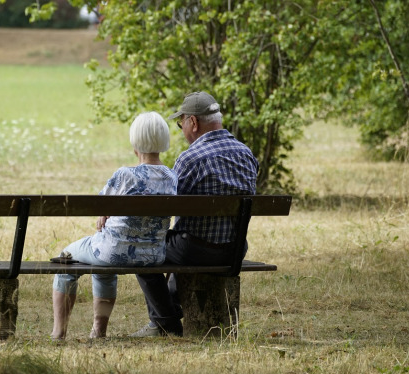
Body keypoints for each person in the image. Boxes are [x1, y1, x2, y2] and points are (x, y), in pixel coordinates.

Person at [131, 91, 259, 337]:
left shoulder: (190, 159)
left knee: (142, 248)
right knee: (182, 239)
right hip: (234, 250)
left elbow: (168, 208)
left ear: (193, 122)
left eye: (181, 124)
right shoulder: (247, 154)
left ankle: (165, 323)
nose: (182, 130)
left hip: (196, 250)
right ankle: (168, 314)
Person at [51, 111, 178, 340]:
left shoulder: (124, 175)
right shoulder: (172, 177)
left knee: (66, 257)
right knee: (102, 262)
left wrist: (105, 213)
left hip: (113, 252)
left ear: (135, 142)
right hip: (153, 256)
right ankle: (98, 331)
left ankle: (58, 332)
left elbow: (99, 205)